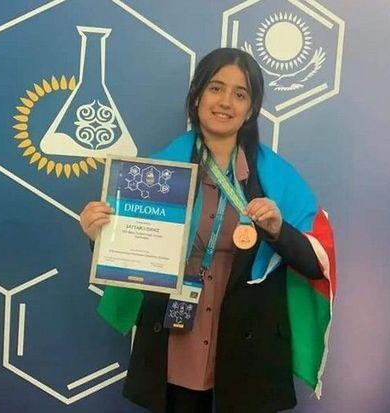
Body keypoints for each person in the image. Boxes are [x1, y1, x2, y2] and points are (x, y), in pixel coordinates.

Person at [79, 48, 336, 413]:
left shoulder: (279, 179)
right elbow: (133, 258)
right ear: (197, 95)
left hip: (249, 344)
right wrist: (100, 237)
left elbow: (316, 264)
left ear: (251, 108)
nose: (226, 102)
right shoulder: (157, 174)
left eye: (240, 94)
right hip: (177, 335)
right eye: (216, 88)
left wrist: (279, 230)